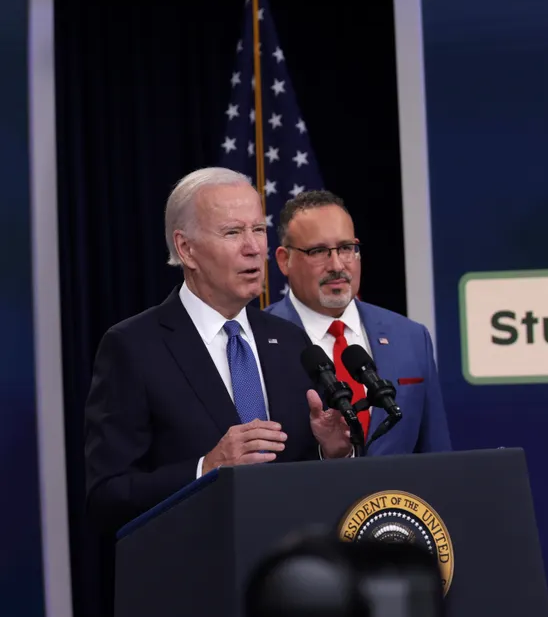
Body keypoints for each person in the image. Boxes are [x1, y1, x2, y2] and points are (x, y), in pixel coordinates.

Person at [84, 168, 352, 534]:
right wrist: (205, 469)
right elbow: (107, 495)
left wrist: (332, 452)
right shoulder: (133, 347)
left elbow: (303, 472)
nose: (254, 247)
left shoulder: (290, 341)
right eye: (232, 232)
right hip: (196, 575)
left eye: (258, 229)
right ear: (186, 249)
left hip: (294, 576)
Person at [265, 190, 451, 455]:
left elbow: (436, 457)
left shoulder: (410, 337)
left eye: (345, 248)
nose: (337, 265)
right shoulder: (257, 340)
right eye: (319, 251)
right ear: (285, 260)